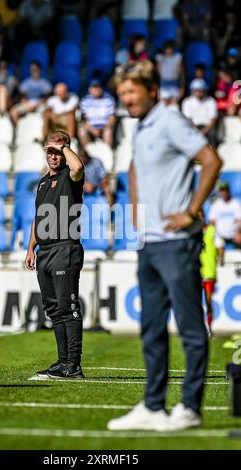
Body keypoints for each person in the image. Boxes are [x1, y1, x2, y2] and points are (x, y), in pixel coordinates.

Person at [108, 61, 222, 432]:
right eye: (122, 93)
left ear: (152, 90)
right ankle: (153, 406)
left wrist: (191, 212)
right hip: (150, 244)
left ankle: (189, 407)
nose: (126, 98)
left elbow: (211, 160)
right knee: (151, 327)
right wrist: (137, 212)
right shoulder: (139, 128)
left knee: (190, 328)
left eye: (132, 91)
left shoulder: (170, 120)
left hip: (177, 243)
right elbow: (134, 169)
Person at [25, 130, 85, 379]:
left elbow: (78, 165)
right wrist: (31, 248)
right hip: (45, 251)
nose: (53, 155)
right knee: (53, 310)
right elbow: (38, 218)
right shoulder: (41, 183)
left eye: (57, 151)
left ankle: (74, 364)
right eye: (49, 150)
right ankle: (63, 362)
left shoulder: (71, 176)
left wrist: (63, 147)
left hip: (65, 248)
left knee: (67, 307)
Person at [10, 61, 52, 125]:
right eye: (32, 69)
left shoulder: (45, 83)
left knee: (48, 113)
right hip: (27, 103)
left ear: (40, 70)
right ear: (30, 70)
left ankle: (44, 133)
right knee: (13, 112)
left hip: (40, 104)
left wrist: (36, 105)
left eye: (36, 69)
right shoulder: (25, 83)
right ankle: (20, 129)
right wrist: (27, 104)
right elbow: (21, 97)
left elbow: (46, 98)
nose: (34, 71)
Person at [209, 182, 241, 266]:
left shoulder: (235, 203)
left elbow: (239, 220)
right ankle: (221, 263)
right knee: (216, 240)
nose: (223, 193)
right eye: (222, 191)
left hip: (234, 235)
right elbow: (212, 221)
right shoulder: (216, 204)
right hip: (220, 235)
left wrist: (238, 233)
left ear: (228, 191)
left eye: (225, 190)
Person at [79, 79, 116, 147]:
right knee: (82, 131)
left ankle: (107, 154)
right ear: (90, 89)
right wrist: (92, 129)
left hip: (105, 127)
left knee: (108, 132)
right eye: (94, 87)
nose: (96, 89)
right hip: (90, 127)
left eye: (98, 87)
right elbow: (83, 119)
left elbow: (112, 118)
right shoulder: (84, 100)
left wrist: (105, 128)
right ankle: (88, 153)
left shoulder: (109, 99)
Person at [182, 79, 218, 146]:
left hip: (208, 128)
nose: (198, 93)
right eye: (195, 90)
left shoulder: (211, 101)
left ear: (204, 90)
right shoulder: (187, 102)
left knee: (212, 134)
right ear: (192, 91)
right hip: (193, 127)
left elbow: (213, 119)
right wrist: (196, 131)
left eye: (200, 90)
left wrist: (204, 131)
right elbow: (188, 120)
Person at [199, 210, 217, 336]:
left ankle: (209, 327)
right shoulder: (192, 232)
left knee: (209, 302)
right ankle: (198, 329)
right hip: (196, 272)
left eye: (201, 215)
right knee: (195, 303)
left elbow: (219, 244)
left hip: (209, 273)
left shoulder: (212, 230)